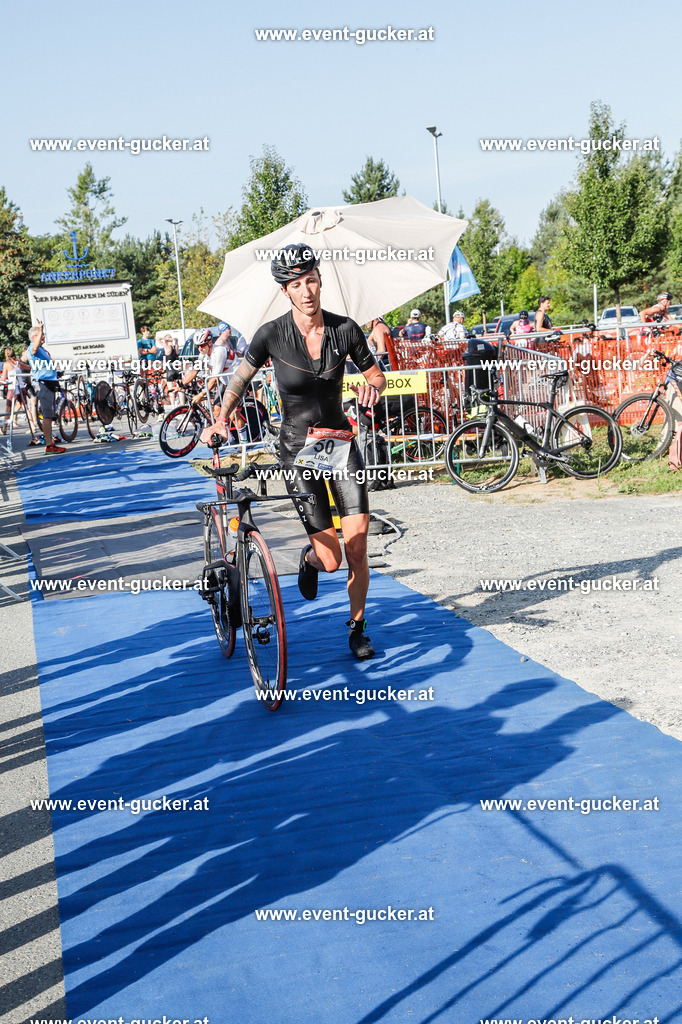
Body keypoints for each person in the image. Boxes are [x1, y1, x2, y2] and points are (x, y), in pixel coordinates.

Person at [200, 242, 387, 660]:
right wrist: (219, 420)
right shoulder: (271, 334)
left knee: (357, 548)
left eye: (312, 281)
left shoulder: (346, 329)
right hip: (298, 453)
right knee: (332, 560)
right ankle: (310, 558)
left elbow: (377, 378)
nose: (307, 291)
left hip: (340, 448)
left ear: (321, 282)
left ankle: (357, 628)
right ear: (285, 290)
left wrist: (372, 389)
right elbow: (238, 381)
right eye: (297, 284)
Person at [26, 322, 65, 454]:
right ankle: (49, 445)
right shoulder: (33, 347)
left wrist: (55, 373)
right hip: (42, 384)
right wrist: (41, 328)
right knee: (48, 416)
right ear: (34, 337)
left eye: (44, 334)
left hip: (48, 382)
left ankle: (50, 444)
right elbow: (34, 348)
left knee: (49, 415)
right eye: (41, 335)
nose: (44, 337)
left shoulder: (43, 350)